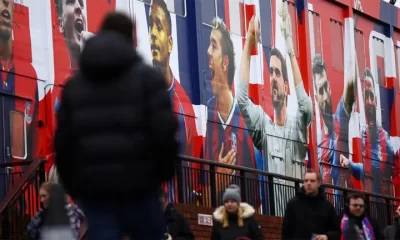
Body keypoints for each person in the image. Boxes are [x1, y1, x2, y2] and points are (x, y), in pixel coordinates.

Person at [54, 12, 178, 240]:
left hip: (97, 194)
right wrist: (159, 176)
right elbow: (165, 136)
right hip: (141, 190)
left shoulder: (75, 88)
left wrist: (79, 189)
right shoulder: (149, 80)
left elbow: (63, 147)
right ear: (132, 39)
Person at [238, 2, 312, 180]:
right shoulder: (264, 126)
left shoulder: (297, 127)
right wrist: (249, 41)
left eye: (277, 73)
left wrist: (290, 46)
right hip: (274, 209)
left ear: (287, 87)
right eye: (270, 72)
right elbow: (241, 98)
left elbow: (306, 105)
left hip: (296, 209)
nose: (272, 78)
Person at [148, 0, 199, 203]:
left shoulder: (183, 105)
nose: (152, 32)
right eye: (151, 24)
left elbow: (190, 176)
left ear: (170, 43)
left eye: (158, 27)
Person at [281, 169, 340, 240]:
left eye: (312, 181)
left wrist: (327, 236)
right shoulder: (293, 204)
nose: (308, 183)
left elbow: (337, 232)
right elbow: (286, 233)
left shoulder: (327, 206)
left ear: (319, 183)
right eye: (306, 181)